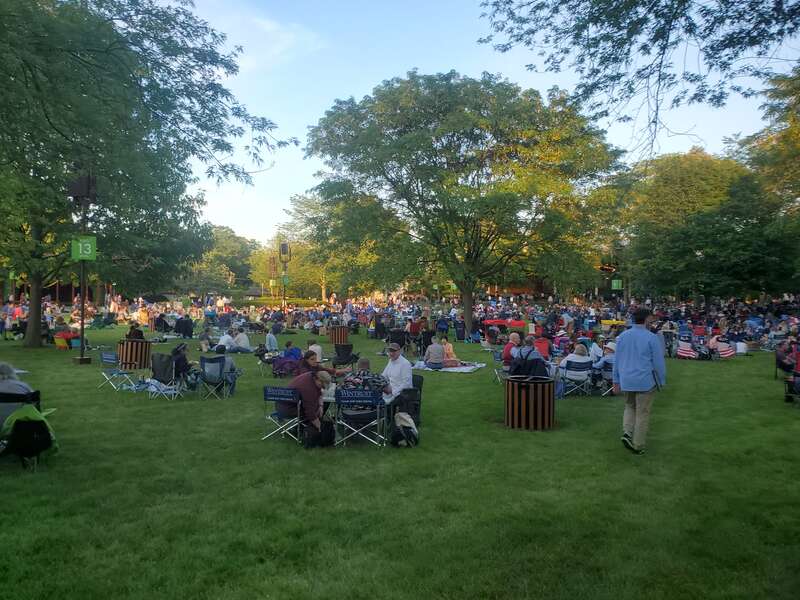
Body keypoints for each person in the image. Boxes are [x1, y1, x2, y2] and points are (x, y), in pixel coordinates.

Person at [613, 308, 667, 455]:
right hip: (645, 380)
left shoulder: (623, 336)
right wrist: (661, 380)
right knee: (642, 412)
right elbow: (658, 362)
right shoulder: (651, 337)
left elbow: (616, 360)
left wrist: (616, 380)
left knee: (630, 406)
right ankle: (638, 445)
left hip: (627, 379)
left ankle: (627, 432)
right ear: (646, 319)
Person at [287, 370, 332, 441]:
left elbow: (319, 392)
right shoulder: (309, 389)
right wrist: (320, 428)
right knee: (315, 409)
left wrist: (320, 405)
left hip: (287, 403)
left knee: (321, 404)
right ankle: (304, 428)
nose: (323, 387)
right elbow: (310, 412)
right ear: (318, 380)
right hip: (290, 408)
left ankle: (304, 426)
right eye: (322, 385)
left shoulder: (312, 375)